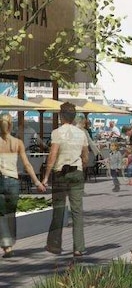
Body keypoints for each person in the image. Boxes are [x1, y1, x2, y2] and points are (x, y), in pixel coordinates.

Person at [44, 102, 89, 257]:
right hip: (76, 173)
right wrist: (81, 168)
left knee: (59, 210)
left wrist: (45, 177)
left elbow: (52, 156)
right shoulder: (81, 133)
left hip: (60, 174)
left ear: (61, 115)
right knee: (77, 211)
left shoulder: (57, 133)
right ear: (74, 116)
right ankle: (78, 247)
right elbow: (86, 157)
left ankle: (54, 245)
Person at [0, 114, 46, 258]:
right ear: (11, 126)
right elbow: (27, 165)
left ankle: (6, 246)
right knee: (10, 213)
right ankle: (10, 241)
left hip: (0, 181)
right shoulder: (18, 143)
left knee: (1, 214)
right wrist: (37, 182)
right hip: (14, 182)